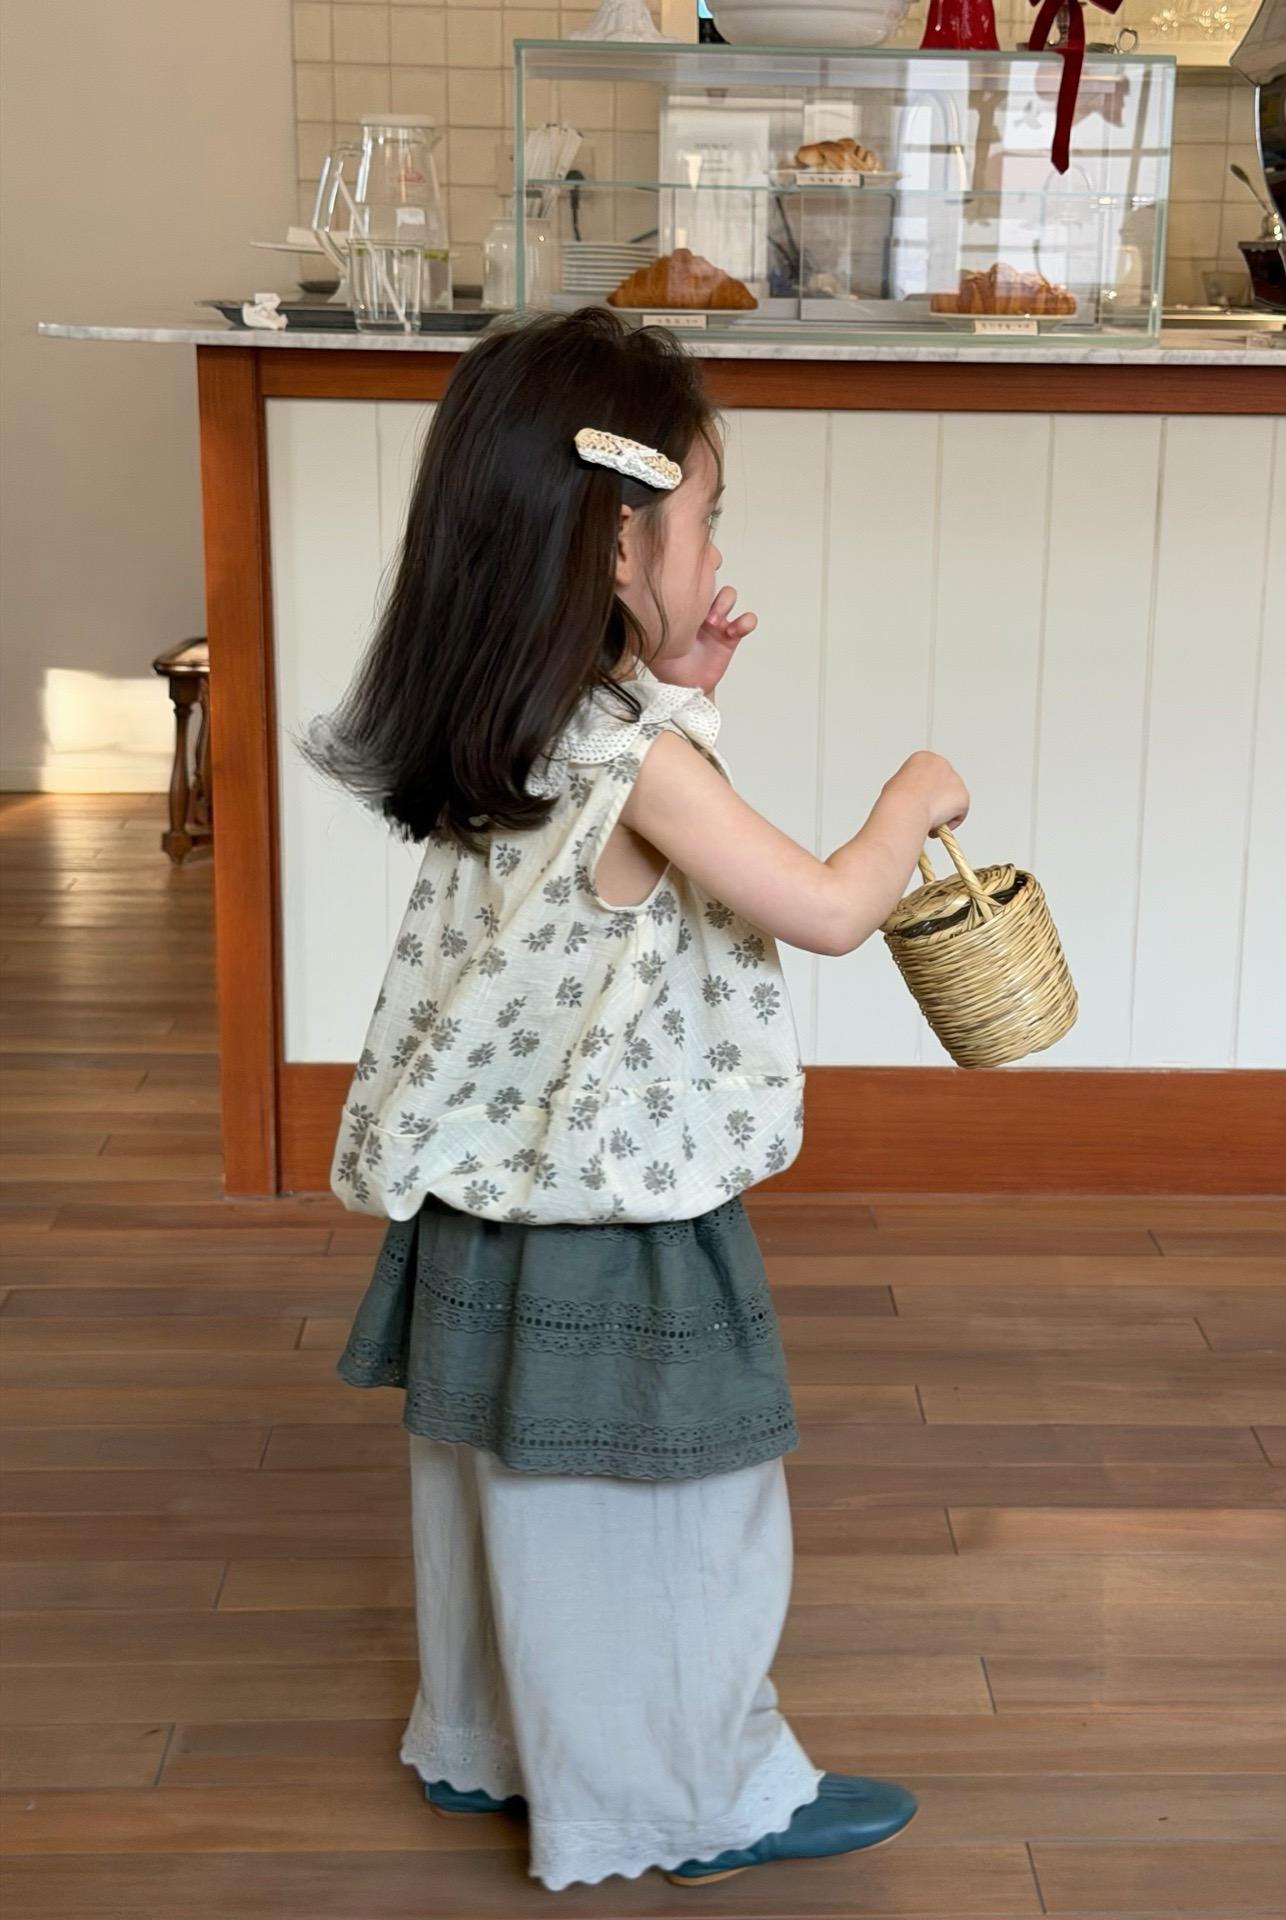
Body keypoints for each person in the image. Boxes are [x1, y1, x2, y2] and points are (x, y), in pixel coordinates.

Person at [313, 309, 971, 1893]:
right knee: (678, 1522)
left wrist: (671, 677)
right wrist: (912, 799)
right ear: (619, 546)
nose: (719, 553)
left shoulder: (509, 728)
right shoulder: (637, 763)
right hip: (614, 1217)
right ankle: (694, 1802)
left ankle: (485, 1741)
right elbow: (827, 906)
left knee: (495, 1496)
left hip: (488, 1205)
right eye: (706, 521)